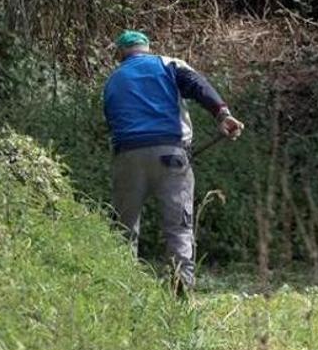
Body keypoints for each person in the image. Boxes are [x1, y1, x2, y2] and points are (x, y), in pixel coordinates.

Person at [102, 30, 244, 291]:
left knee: (124, 228)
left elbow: (111, 121)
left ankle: (121, 288)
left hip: (127, 156)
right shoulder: (167, 63)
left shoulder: (113, 80)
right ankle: (180, 292)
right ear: (146, 47)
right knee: (178, 228)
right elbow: (198, 85)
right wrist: (223, 115)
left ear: (121, 53)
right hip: (171, 155)